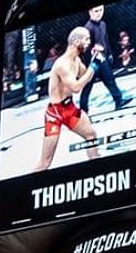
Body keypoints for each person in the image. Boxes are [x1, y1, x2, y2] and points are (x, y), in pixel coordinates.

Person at [35, 28, 101, 172]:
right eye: (87, 39)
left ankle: (98, 170)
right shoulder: (62, 65)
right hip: (55, 113)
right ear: (77, 42)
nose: (89, 42)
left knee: (91, 135)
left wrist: (93, 60)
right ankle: (23, 191)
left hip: (70, 108)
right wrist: (94, 66)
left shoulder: (76, 60)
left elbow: (86, 77)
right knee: (45, 163)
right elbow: (77, 87)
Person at [78, 5, 127, 114]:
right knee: (87, 86)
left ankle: (118, 100)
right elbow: (85, 47)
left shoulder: (103, 24)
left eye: (101, 10)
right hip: (93, 62)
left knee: (110, 80)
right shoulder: (88, 28)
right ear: (90, 12)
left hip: (102, 59)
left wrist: (109, 54)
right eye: (96, 11)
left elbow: (105, 40)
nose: (99, 13)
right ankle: (83, 110)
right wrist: (91, 55)